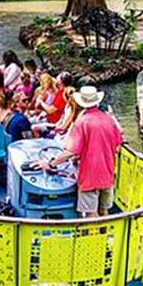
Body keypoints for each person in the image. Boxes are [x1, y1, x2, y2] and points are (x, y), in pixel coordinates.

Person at [32, 86, 122, 218]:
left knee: (91, 212)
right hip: (108, 173)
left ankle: (95, 238)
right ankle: (107, 235)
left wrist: (51, 164)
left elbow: (71, 151)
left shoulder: (82, 122)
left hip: (90, 175)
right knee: (104, 210)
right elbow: (117, 148)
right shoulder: (109, 120)